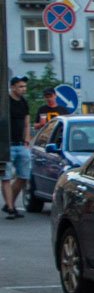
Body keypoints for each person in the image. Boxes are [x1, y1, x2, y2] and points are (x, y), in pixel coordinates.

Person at [3, 76, 32, 218]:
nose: (23, 89)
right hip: (5, 145)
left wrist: (27, 138)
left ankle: (11, 203)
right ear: (13, 87)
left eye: (24, 87)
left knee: (24, 176)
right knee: (6, 177)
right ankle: (10, 208)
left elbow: (27, 122)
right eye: (21, 87)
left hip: (21, 145)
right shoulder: (5, 102)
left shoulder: (24, 102)